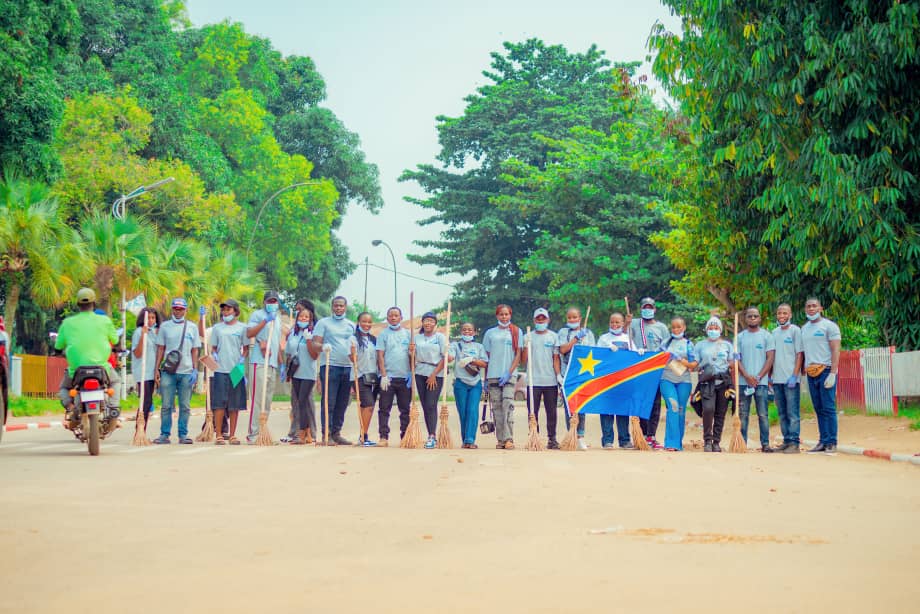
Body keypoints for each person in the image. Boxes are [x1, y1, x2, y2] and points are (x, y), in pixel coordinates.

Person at [55, 288, 122, 428]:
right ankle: (113, 408)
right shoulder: (105, 321)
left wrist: (58, 351)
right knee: (116, 381)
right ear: (94, 303)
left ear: (78, 304)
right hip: (102, 369)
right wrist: (116, 347)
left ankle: (71, 408)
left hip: (76, 371)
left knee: (64, 388)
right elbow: (115, 341)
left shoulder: (67, 323)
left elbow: (58, 346)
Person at [153, 298, 201, 444]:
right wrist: (156, 369)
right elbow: (160, 349)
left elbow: (195, 350)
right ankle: (164, 434)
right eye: (175, 308)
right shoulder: (165, 327)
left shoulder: (192, 327)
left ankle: (183, 434)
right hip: (169, 372)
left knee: (185, 406)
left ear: (185, 310)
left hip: (186, 372)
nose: (178, 311)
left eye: (181, 309)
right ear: (172, 309)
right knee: (166, 405)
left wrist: (195, 369)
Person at [312, 296, 356, 445]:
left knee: (342, 403)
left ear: (345, 307)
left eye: (341, 306)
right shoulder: (323, 323)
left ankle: (337, 433)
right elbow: (315, 343)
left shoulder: (351, 325)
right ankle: (327, 434)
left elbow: (355, 344)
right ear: (332, 307)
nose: (338, 308)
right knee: (329, 402)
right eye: (336, 305)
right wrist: (322, 347)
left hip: (347, 367)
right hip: (330, 366)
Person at [628, 297, 669, 449]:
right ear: (641, 309)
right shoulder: (634, 323)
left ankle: (651, 435)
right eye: (645, 307)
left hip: (655, 371)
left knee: (655, 403)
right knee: (640, 402)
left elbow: (666, 348)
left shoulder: (661, 328)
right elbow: (626, 337)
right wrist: (626, 323)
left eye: (650, 307)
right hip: (639, 369)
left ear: (654, 309)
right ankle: (641, 434)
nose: (647, 310)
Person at [801, 297, 841, 454]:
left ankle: (832, 442)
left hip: (826, 370)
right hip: (811, 372)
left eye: (814, 306)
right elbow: (803, 352)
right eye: (808, 306)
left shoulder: (829, 326)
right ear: (805, 310)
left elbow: (835, 349)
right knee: (818, 407)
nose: (811, 309)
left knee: (828, 407)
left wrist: (833, 373)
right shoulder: (804, 329)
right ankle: (823, 441)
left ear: (820, 308)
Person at [482, 304, 523, 449]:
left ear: (510, 315)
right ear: (497, 316)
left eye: (506, 314)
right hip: (493, 375)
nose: (504, 317)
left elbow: (518, 355)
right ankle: (500, 440)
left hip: (509, 375)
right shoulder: (490, 333)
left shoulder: (516, 331)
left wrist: (509, 372)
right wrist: (485, 378)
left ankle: (509, 438)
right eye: (501, 314)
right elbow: (486, 357)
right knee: (497, 408)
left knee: (508, 405)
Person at [594, 312, 637, 450]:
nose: (614, 324)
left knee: (622, 410)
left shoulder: (628, 338)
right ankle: (607, 440)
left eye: (617, 322)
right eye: (612, 322)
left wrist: (640, 352)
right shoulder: (603, 338)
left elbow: (635, 356)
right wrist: (606, 352)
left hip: (623, 380)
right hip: (606, 379)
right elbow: (596, 356)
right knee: (606, 410)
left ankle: (624, 440)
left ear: (623, 323)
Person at [246, 291, 284, 443]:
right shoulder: (257, 315)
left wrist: (281, 363)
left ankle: (263, 432)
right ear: (264, 302)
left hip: (272, 363)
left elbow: (277, 343)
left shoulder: (278, 319)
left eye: (274, 301)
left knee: (267, 401)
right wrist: (265, 321)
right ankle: (253, 434)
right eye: (269, 301)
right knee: (257, 399)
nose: (272, 304)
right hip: (259, 362)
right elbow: (249, 333)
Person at [556, 306, 597, 450]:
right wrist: (575, 339)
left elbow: (593, 352)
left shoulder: (588, 334)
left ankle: (580, 436)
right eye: (569, 317)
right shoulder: (563, 332)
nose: (572, 320)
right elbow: (562, 349)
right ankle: (571, 434)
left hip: (582, 374)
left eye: (575, 317)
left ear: (580, 318)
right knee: (569, 406)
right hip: (567, 374)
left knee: (581, 406)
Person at [737, 306, 776, 452]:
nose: (753, 318)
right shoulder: (739, 337)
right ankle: (742, 444)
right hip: (743, 383)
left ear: (759, 318)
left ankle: (765, 444)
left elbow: (770, 358)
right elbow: (737, 359)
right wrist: (746, 376)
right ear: (745, 319)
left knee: (763, 414)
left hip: (761, 383)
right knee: (743, 414)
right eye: (750, 316)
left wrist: (758, 377)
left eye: (755, 316)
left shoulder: (767, 336)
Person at [209, 299, 248, 445]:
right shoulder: (217, 328)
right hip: (220, 368)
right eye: (224, 310)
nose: (226, 312)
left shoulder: (242, 328)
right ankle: (219, 434)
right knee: (219, 403)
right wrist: (214, 355)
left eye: (228, 309)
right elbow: (213, 347)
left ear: (235, 311)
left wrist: (242, 359)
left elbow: (246, 348)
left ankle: (232, 435)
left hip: (236, 369)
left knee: (234, 403)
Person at [523, 308, 561, 449]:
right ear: (534, 320)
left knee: (551, 411)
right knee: (533, 412)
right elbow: (523, 360)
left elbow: (555, 358)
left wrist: (558, 375)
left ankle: (552, 439)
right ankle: (534, 438)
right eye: (538, 319)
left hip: (550, 380)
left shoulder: (553, 336)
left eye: (543, 318)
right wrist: (526, 346)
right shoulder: (527, 336)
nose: (540, 321)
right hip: (533, 381)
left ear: (548, 320)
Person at [695, 316, 734, 452]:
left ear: (720, 330)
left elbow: (732, 363)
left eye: (716, 328)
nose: (713, 330)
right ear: (706, 330)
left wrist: (733, 364)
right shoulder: (700, 345)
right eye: (710, 328)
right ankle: (707, 440)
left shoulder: (727, 345)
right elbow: (695, 363)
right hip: (707, 382)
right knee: (708, 409)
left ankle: (716, 441)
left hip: (723, 381)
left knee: (720, 412)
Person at [659, 317, 697, 451]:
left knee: (681, 410)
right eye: (673, 327)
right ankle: (671, 443)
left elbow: (694, 364)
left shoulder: (688, 344)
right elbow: (656, 359)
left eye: (679, 327)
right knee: (673, 407)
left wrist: (683, 362)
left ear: (684, 327)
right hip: (666, 379)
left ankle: (678, 443)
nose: (676, 329)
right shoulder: (665, 343)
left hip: (684, 381)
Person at [376, 307, 412, 446]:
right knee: (384, 408)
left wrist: (411, 373)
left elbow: (412, 355)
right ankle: (383, 436)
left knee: (405, 409)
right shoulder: (383, 334)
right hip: (389, 378)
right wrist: (383, 375)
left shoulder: (408, 334)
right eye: (390, 315)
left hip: (405, 378)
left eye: (396, 315)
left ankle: (405, 436)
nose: (393, 318)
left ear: (401, 317)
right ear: (387, 318)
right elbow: (380, 355)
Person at [771, 303, 804, 453]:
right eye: (779, 313)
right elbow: (771, 355)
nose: (782, 316)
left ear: (790, 315)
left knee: (792, 412)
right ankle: (786, 441)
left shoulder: (795, 331)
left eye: (785, 313)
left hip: (791, 379)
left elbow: (799, 354)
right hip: (777, 379)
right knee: (782, 413)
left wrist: (795, 375)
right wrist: (770, 376)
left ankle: (794, 443)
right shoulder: (774, 333)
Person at [282, 299, 316, 442]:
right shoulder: (293, 333)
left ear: (310, 319)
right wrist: (286, 370)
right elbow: (288, 352)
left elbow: (314, 355)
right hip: (295, 372)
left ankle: (304, 432)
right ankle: (305, 433)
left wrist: (308, 340)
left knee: (303, 401)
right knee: (298, 402)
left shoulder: (313, 333)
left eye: (306, 317)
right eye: (300, 316)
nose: (303, 318)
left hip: (308, 373)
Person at [413, 311, 447, 449]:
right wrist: (411, 352)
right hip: (420, 372)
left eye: (431, 321)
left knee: (431, 404)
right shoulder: (417, 338)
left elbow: (445, 357)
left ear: (435, 323)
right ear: (422, 322)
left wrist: (433, 374)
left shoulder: (440, 337)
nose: (428, 323)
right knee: (425, 405)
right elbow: (412, 357)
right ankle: (430, 434)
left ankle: (432, 436)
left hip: (435, 373)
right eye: (426, 320)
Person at [452, 322, 488, 449]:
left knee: (472, 411)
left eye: (470, 330)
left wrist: (472, 360)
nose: (467, 332)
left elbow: (484, 363)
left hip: (475, 383)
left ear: (474, 332)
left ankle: (470, 440)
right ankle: (465, 440)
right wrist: (447, 352)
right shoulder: (455, 345)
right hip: (460, 383)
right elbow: (450, 357)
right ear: (461, 332)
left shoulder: (479, 346)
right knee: (463, 412)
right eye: (464, 329)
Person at [131, 307, 161, 431]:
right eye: (148, 318)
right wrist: (143, 335)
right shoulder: (138, 332)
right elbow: (137, 353)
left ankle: (142, 429)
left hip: (152, 371)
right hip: (142, 371)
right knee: (145, 401)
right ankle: (140, 430)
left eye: (153, 318)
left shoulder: (156, 332)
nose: (150, 320)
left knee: (148, 402)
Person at [352, 311, 379, 446]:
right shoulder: (353, 339)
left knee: (367, 407)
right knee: (369, 404)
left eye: (369, 322)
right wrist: (352, 353)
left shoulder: (374, 340)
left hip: (373, 377)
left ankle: (363, 436)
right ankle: (363, 436)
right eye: (364, 321)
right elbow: (351, 358)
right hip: (359, 376)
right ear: (358, 322)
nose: (367, 324)